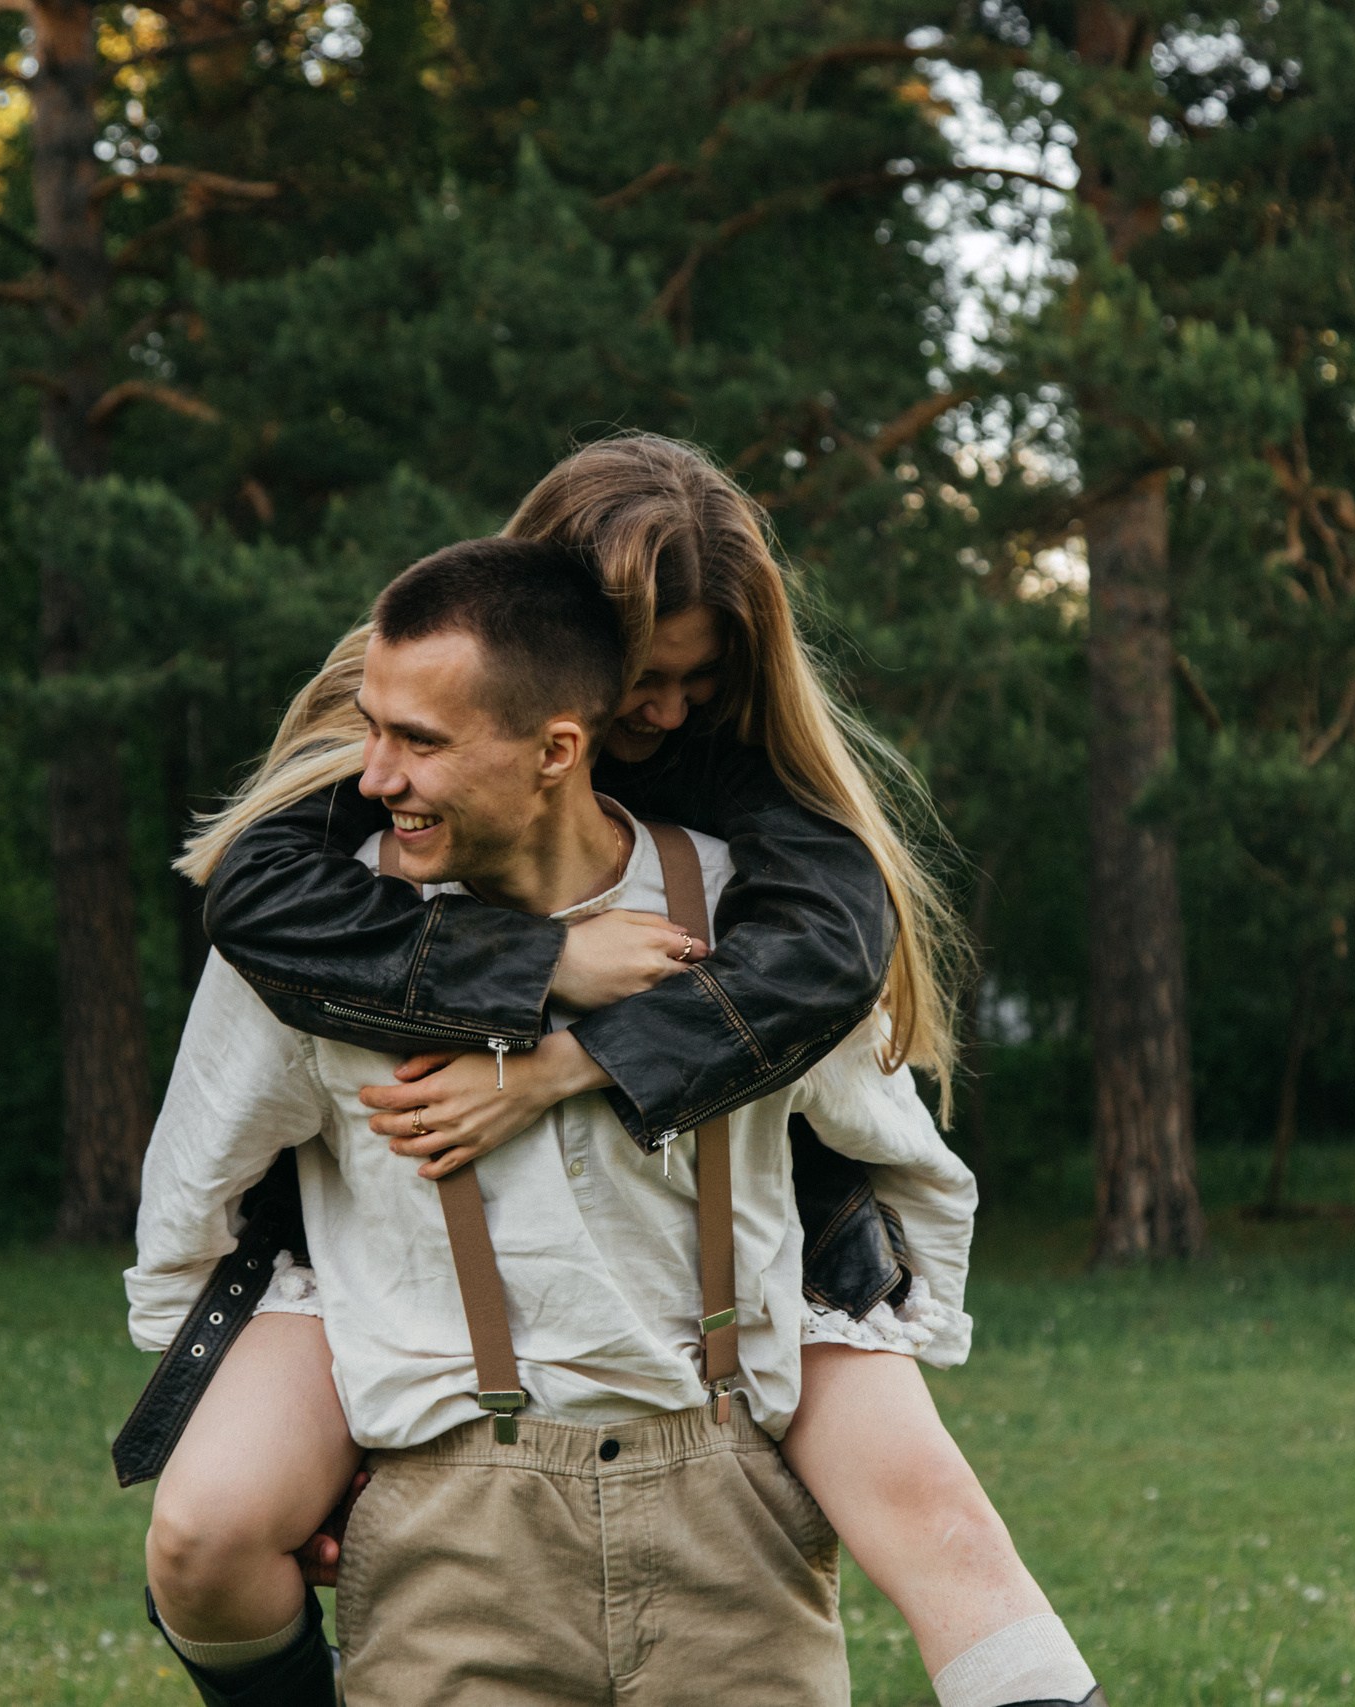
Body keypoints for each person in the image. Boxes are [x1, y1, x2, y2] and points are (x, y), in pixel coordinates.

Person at [141, 438, 1103, 1706]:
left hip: (751, 1225)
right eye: (639, 678)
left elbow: (831, 972)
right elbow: (251, 912)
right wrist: (540, 958)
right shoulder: (389, 777)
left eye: (693, 680)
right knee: (203, 1530)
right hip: (400, 1282)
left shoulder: (744, 813)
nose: (656, 715)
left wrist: (566, 1062)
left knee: (946, 1528)